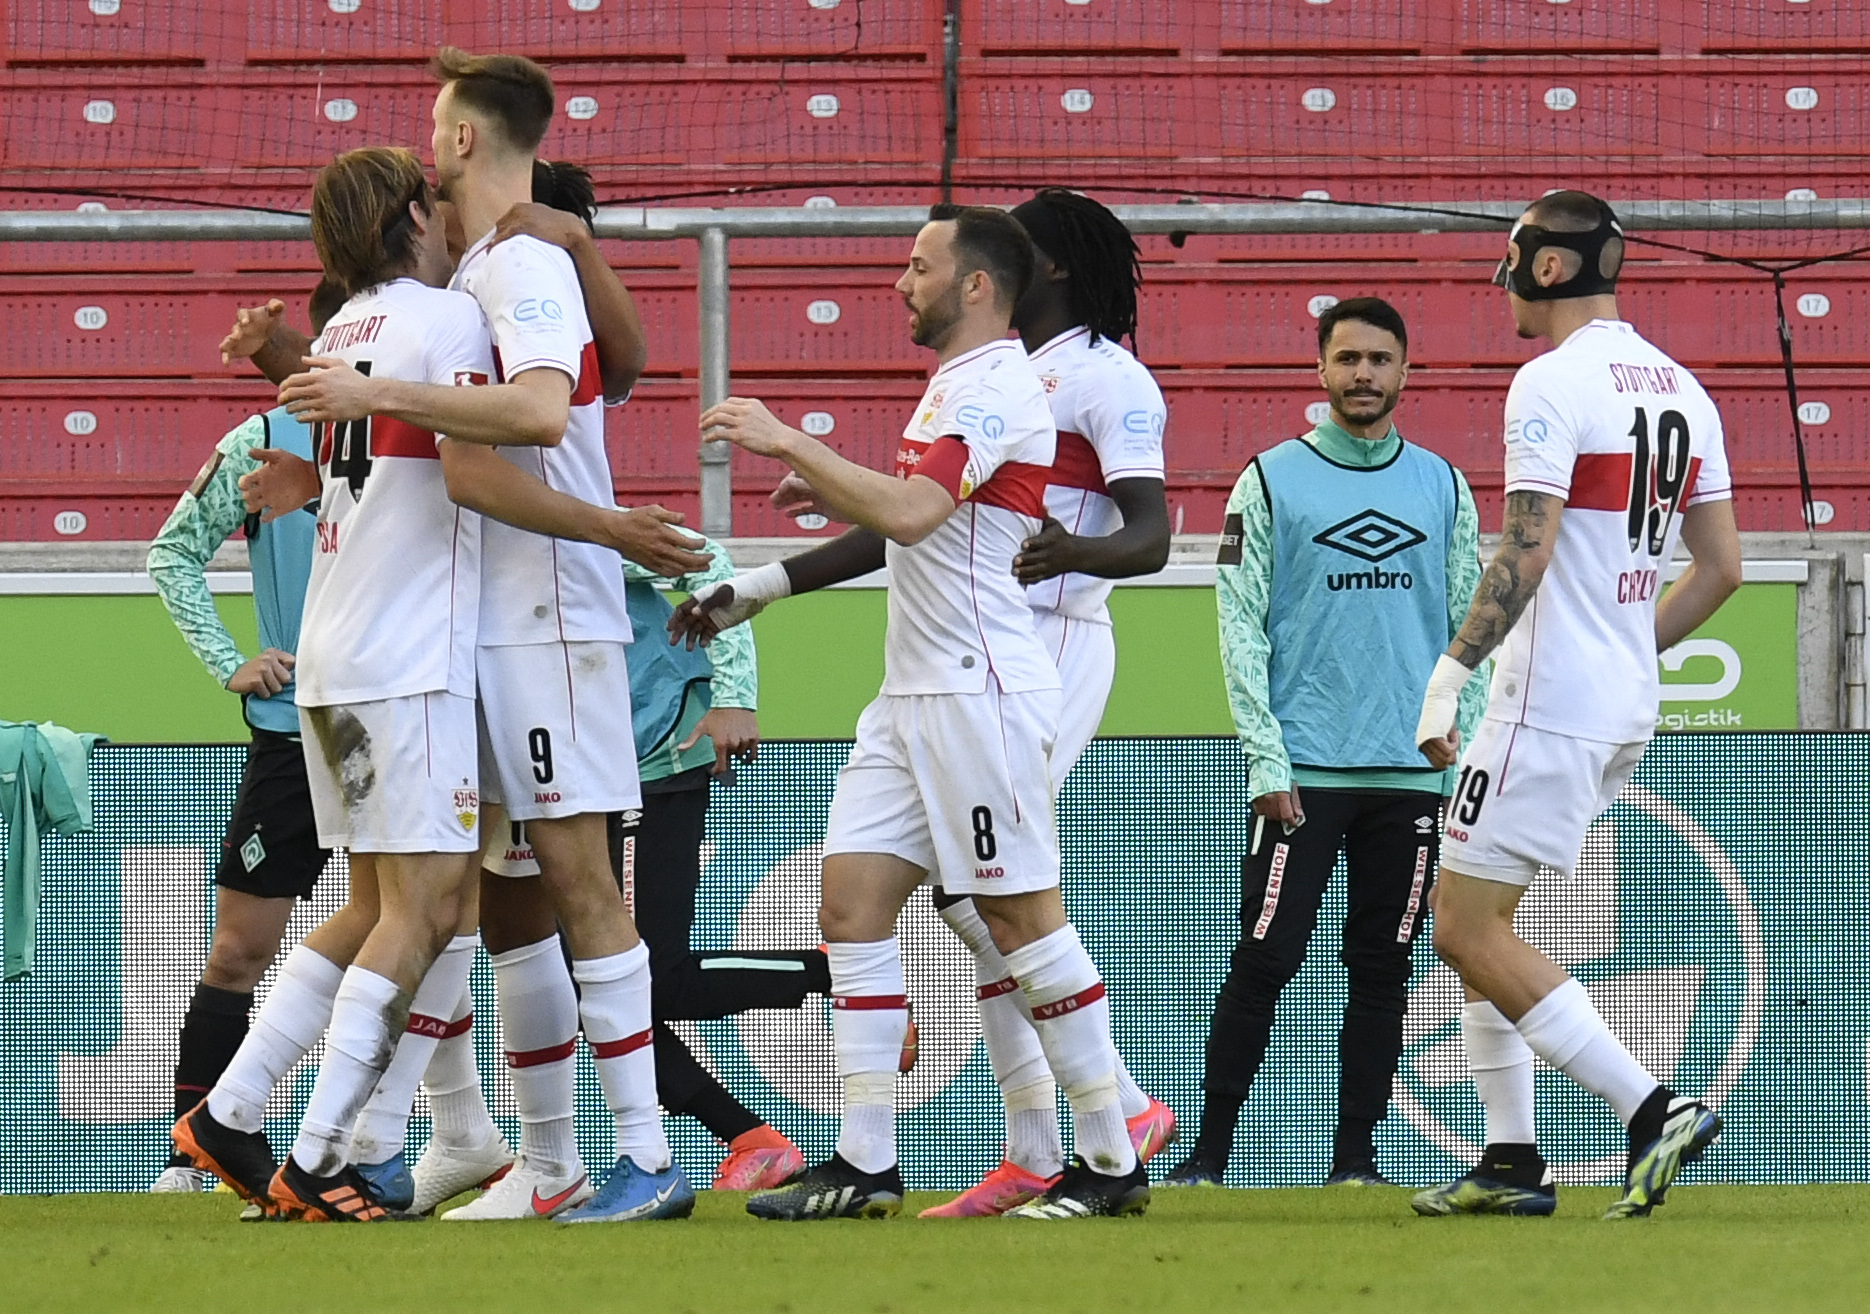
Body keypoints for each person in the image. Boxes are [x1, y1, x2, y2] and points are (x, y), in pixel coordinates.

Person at [277, 48, 706, 1225]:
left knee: (576, 878)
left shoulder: (517, 264)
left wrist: (377, 394)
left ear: (464, 138)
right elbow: (618, 372)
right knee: (487, 899)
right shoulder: (480, 270)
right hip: (475, 625)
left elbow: (541, 415)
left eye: (435, 126)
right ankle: (526, 1159)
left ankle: (645, 1155)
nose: (426, 147)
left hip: (544, 615)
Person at [675, 204, 1149, 1221]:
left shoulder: (996, 387)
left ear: (975, 284)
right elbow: (907, 524)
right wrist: (757, 585)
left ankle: (1111, 1158)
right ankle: (866, 1162)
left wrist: (788, 440)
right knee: (850, 905)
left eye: (919, 265)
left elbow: (907, 511)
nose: (901, 281)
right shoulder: (952, 384)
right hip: (910, 696)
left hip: (980, 691)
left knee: (1016, 915)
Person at [1411, 190, 1741, 1220]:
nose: (1504, 279)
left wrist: (1448, 676)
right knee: (1490, 921)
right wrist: (1624, 650)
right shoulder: (1684, 388)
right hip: (1619, 703)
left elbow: (1526, 548)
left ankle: (1653, 1108)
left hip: (1544, 700)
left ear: (1548, 267)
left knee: (1462, 927)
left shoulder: (1549, 381)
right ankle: (1511, 1160)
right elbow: (1721, 568)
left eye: (1511, 258)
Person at [1159, 297, 1486, 1190]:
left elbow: (1473, 622)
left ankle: (1355, 1164)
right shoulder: (1268, 481)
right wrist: (1265, 756)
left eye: (1380, 359)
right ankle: (1208, 1156)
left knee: (1384, 968)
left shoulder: (1444, 485)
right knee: (1265, 958)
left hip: (1412, 776)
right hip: (1301, 772)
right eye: (1348, 359)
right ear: (1321, 369)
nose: (1363, 375)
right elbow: (1238, 624)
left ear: (1406, 371)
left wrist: (1459, 737)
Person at [145, 278, 347, 1194]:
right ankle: (191, 1152)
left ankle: (381, 1145)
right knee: (238, 949)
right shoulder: (259, 440)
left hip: (401, 719)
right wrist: (230, 659)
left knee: (425, 933)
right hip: (294, 735)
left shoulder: (424, 435)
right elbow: (172, 552)